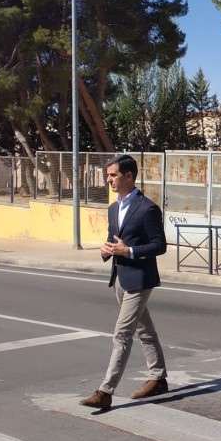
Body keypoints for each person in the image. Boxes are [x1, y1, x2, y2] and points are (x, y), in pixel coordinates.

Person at [79, 154, 170, 411]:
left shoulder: (147, 208)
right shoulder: (113, 207)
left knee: (122, 334)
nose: (108, 180)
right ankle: (159, 378)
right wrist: (107, 250)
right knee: (145, 331)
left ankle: (105, 391)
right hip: (119, 277)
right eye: (108, 175)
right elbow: (113, 238)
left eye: (113, 175)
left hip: (140, 278)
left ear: (128, 176)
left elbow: (159, 245)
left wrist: (128, 251)